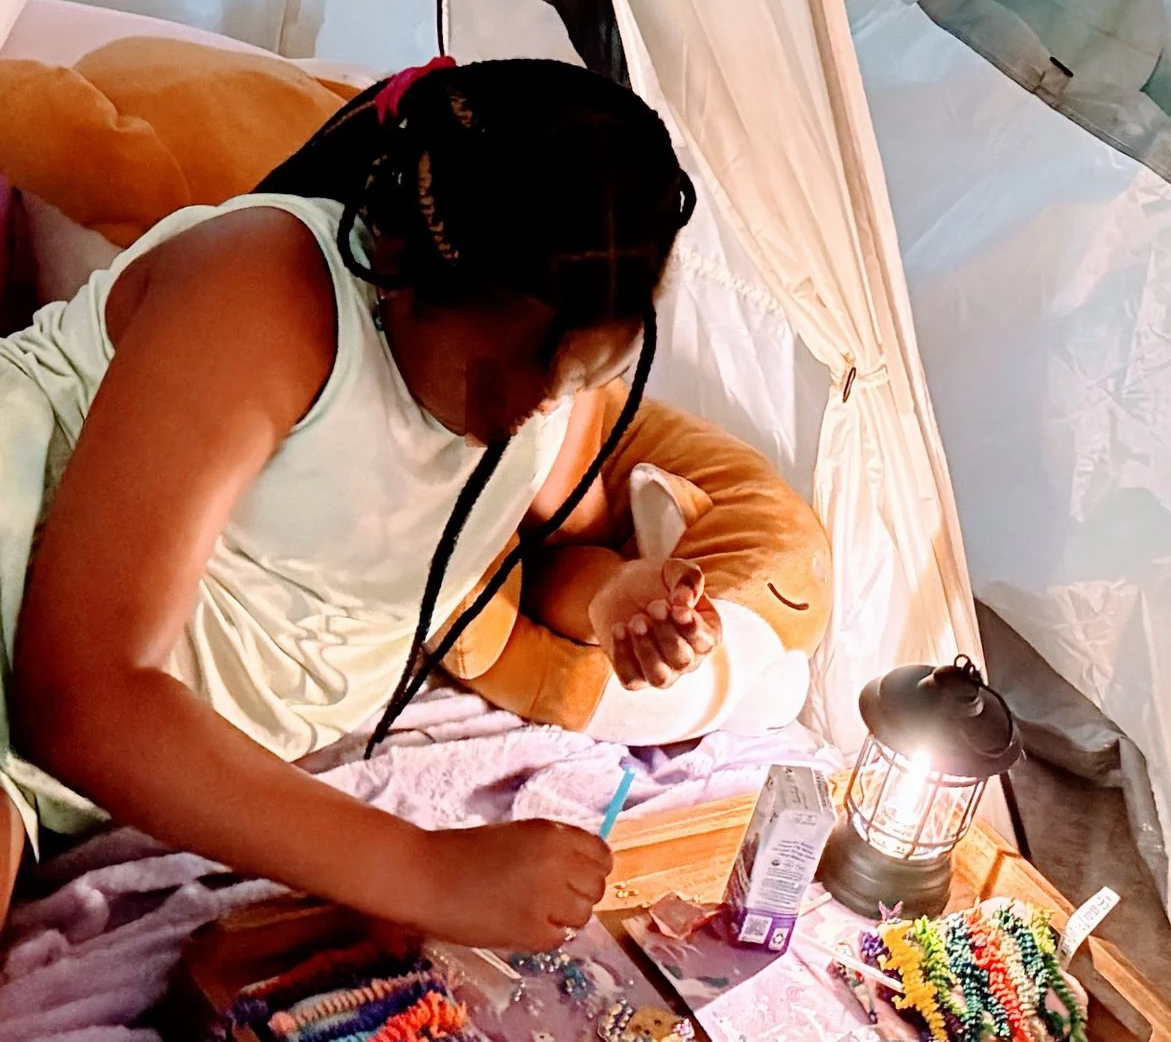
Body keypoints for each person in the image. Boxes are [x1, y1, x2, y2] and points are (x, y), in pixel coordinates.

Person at [0, 56, 701, 949]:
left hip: (112, 738)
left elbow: (545, 552)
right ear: (398, 263)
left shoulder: (550, 375)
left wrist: (616, 599)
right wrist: (426, 870)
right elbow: (83, 699)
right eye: (499, 375)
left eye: (577, 379)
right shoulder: (265, 291)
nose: (529, 410)